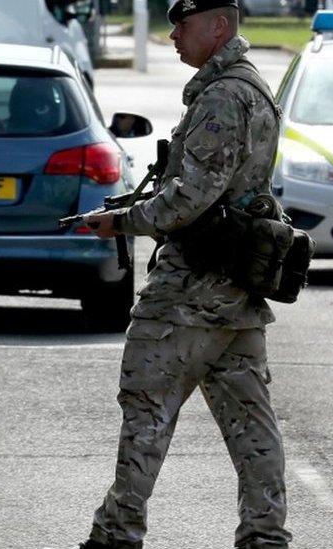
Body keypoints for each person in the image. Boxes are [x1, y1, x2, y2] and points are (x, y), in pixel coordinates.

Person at [79, 1, 292, 548]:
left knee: (146, 411)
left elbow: (190, 198)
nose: (174, 35)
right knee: (252, 428)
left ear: (218, 26)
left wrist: (122, 221)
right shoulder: (249, 87)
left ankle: (117, 533)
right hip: (235, 294)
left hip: (190, 293)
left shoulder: (223, 96)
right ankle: (265, 536)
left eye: (184, 24)